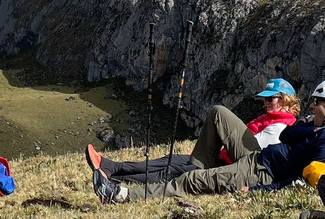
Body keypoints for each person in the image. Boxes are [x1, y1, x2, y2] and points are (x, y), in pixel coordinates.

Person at [91, 79, 325, 203]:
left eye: (318, 104)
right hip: (258, 161)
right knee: (218, 113)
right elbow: (286, 135)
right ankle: (200, 163)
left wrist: (257, 191)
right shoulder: (321, 132)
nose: (312, 107)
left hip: (262, 173)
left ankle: (122, 195)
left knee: (189, 181)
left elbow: (307, 181)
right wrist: (311, 129)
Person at [85, 78, 302, 186]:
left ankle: (116, 181)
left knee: (172, 172)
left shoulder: (282, 127)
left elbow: (256, 153)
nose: (264, 103)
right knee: (171, 159)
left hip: (235, 167)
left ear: (285, 101)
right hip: (223, 159)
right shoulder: (267, 119)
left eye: (270, 99)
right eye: (264, 99)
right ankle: (112, 167)